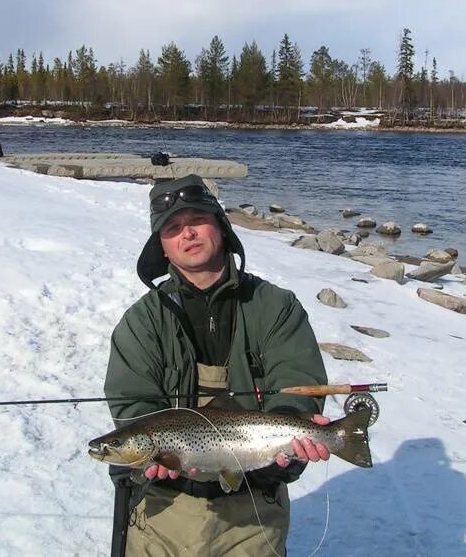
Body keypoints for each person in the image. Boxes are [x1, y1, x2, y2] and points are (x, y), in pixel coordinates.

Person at [104, 174, 331, 556]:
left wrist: (294, 433)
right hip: (164, 512)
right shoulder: (141, 321)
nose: (187, 234)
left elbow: (297, 381)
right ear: (162, 246)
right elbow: (132, 406)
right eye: (173, 228)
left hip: (255, 509)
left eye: (197, 220)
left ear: (222, 227)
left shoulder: (276, 306)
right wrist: (147, 462)